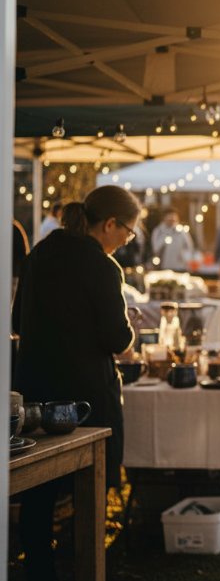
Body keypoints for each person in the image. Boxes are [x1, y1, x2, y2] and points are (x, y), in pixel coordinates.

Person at [14, 185, 140, 581]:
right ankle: (84, 565)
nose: (126, 241)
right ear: (109, 224)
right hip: (85, 399)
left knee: (38, 489)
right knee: (90, 487)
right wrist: (130, 329)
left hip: (35, 390)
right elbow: (118, 340)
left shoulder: (40, 254)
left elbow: (17, 323)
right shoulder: (102, 266)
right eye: (128, 232)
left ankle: (38, 566)